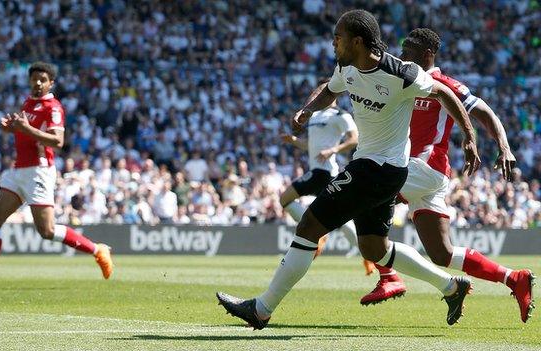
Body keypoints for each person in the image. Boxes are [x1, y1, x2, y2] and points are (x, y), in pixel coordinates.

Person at [216, 9, 481, 328]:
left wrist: (469, 135)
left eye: (338, 37)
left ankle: (261, 308)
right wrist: (308, 110)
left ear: (357, 41)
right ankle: (452, 287)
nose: (333, 42)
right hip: (381, 170)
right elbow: (331, 88)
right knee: (374, 247)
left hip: (378, 169)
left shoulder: (401, 73)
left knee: (309, 226)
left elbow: (443, 92)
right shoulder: (347, 66)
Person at [358, 28, 535, 323]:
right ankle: (514, 279)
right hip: (426, 177)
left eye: (409, 48)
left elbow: (486, 113)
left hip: (422, 166)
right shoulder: (402, 79)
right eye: (401, 48)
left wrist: (503, 147)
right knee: (442, 254)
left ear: (428, 53)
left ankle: (389, 276)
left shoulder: (444, 84)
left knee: (361, 196)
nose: (402, 54)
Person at [0, 62, 113, 289]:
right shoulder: (28, 103)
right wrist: (11, 128)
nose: (38, 83)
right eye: (34, 79)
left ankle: (97, 250)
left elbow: (58, 141)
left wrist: (24, 129)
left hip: (38, 172)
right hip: (18, 170)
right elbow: (26, 133)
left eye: (42, 80)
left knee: (47, 231)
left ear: (51, 83)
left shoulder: (53, 107)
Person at [279, 84, 366, 265]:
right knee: (338, 218)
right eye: (317, 91)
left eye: (321, 91)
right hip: (316, 170)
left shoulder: (341, 115)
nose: (317, 94)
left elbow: (354, 139)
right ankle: (366, 253)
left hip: (325, 172)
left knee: (285, 199)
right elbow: (309, 145)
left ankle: (318, 232)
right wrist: (294, 141)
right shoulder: (315, 116)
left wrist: (333, 150)